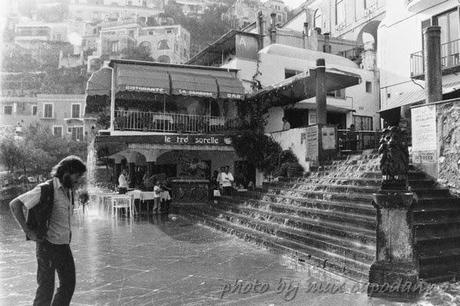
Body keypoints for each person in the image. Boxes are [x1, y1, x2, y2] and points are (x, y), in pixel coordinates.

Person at [9, 155, 86, 306]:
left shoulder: (68, 190)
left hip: (63, 246)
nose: (78, 180)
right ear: (67, 172)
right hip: (47, 246)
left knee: (68, 284)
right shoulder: (46, 189)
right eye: (77, 176)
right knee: (45, 290)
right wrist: (28, 232)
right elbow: (15, 204)